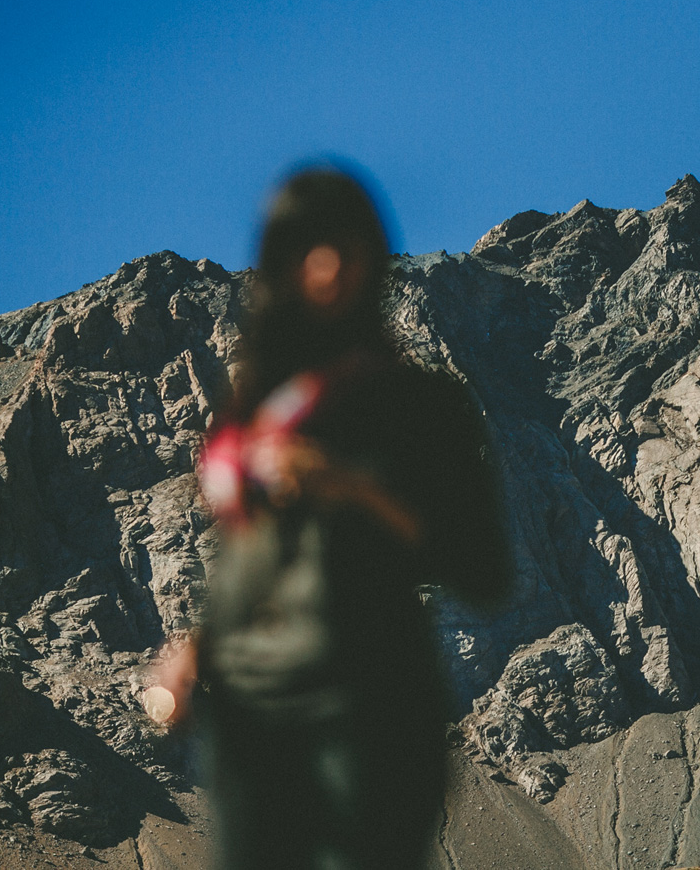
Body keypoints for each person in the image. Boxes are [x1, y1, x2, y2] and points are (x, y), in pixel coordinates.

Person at [151, 165, 512, 869]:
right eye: (308, 246)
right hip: (250, 720)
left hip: (369, 704)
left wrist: (352, 486)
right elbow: (253, 564)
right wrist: (193, 652)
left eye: (347, 244)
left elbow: (482, 569)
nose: (329, 265)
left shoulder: (419, 405)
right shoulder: (252, 413)